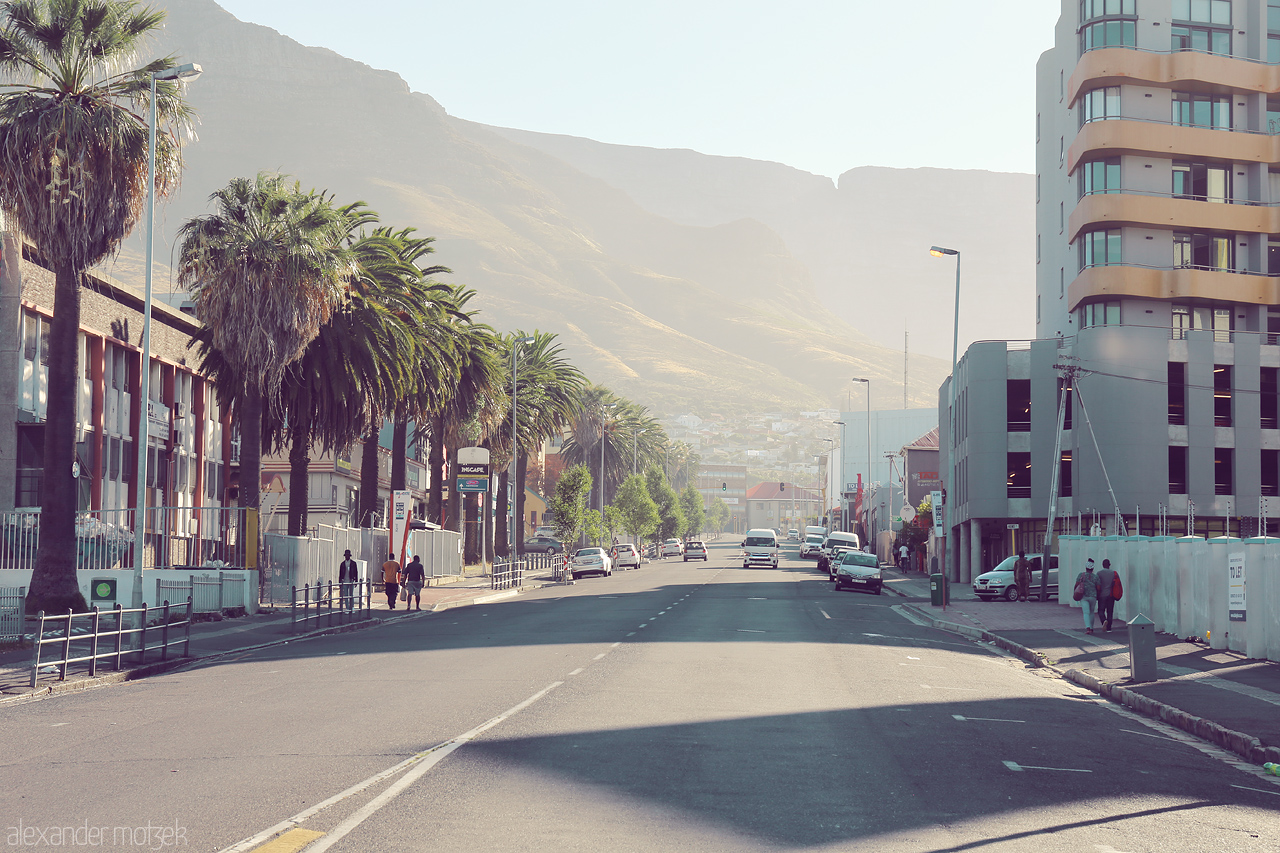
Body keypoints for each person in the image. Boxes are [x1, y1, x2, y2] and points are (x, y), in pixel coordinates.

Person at [1075, 557, 1102, 634]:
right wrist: (1098, 595)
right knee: (1092, 612)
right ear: (1093, 568)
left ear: (1086, 567)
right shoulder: (1096, 576)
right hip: (1093, 596)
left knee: (1086, 612)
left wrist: (1075, 593)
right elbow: (1098, 587)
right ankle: (1092, 628)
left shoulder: (1081, 575)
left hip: (1083, 596)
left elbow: (1076, 584)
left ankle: (1088, 628)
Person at [1096, 558, 1118, 631]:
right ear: (1109, 565)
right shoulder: (1114, 573)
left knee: (1101, 611)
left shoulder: (1099, 573)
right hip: (1111, 595)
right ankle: (1109, 628)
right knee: (1110, 611)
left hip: (1102, 595)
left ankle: (1104, 621)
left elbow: (1097, 584)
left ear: (1102, 565)